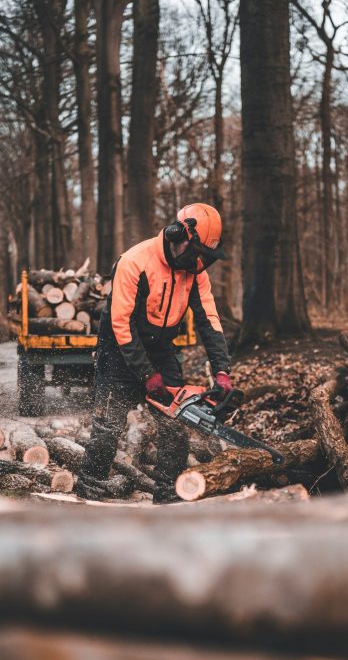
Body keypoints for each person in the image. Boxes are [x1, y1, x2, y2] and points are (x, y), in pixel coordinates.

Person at [77, 202, 233, 503]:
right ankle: (90, 486)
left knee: (176, 422)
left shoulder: (196, 273)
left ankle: (168, 493)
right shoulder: (135, 261)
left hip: (162, 348)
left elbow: (209, 320)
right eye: (198, 251)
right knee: (108, 424)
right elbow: (121, 324)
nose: (201, 261)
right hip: (120, 348)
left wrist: (221, 370)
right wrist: (146, 374)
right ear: (180, 236)